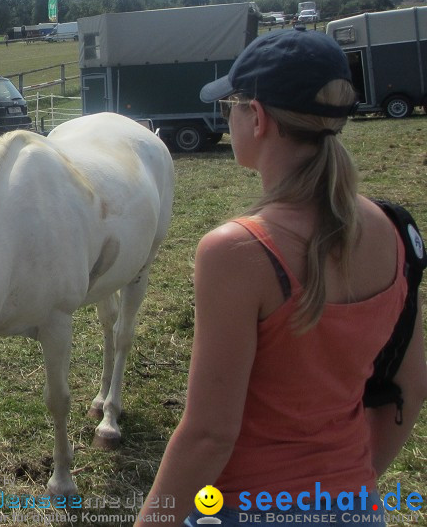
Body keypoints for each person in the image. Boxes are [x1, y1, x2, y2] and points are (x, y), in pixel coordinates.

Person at [135, 30, 426, 526]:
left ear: (259, 117)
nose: (226, 114)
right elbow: (412, 386)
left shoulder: (237, 251)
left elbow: (209, 436)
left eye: (231, 103)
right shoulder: (395, 229)